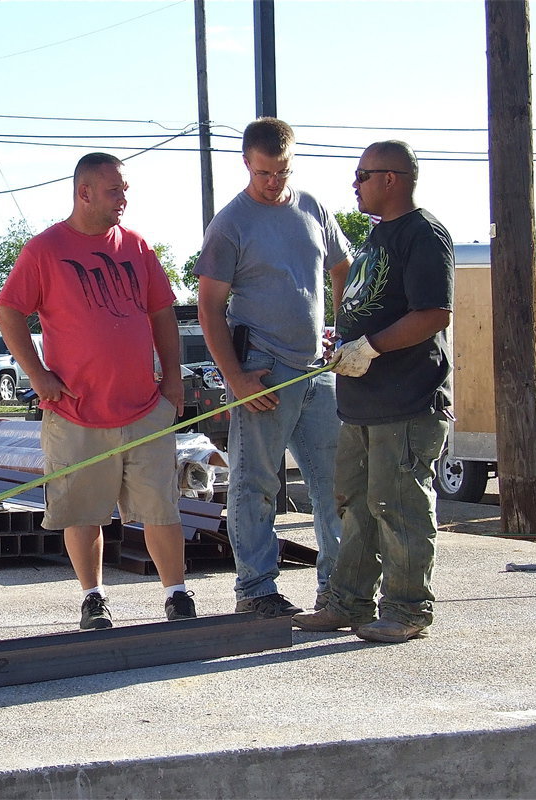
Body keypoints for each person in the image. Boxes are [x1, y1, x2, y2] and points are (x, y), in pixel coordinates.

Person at [0, 152, 196, 630]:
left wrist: (172, 379)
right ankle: (93, 598)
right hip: (75, 411)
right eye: (114, 190)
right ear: (84, 193)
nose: (123, 198)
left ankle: (177, 594)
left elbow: (162, 314)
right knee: (83, 511)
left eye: (124, 189)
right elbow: (8, 312)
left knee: (161, 507)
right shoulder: (44, 249)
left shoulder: (139, 247)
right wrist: (39, 376)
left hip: (145, 407)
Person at [293, 140, 454, 644]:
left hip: (406, 402)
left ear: (392, 178)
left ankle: (407, 610)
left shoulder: (423, 234)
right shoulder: (374, 238)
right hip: (361, 403)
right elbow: (368, 308)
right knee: (355, 506)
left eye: (362, 175)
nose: (354, 184)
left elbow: (433, 314)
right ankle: (348, 601)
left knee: (398, 505)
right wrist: (343, 342)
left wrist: (370, 346)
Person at [193, 117, 350, 618]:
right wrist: (235, 378)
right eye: (264, 173)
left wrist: (343, 332)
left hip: (318, 372)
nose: (274, 182)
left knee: (338, 483)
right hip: (261, 370)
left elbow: (342, 265)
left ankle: (338, 589)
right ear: (246, 164)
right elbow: (209, 308)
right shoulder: (230, 224)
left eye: (282, 171)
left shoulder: (312, 208)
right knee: (255, 484)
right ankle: (256, 591)